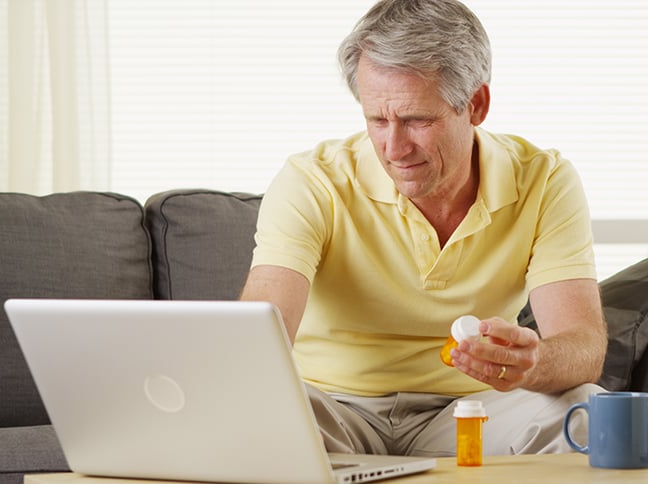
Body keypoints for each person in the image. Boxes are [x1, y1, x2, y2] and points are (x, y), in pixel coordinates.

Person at [240, 0, 607, 457]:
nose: (394, 147)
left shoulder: (544, 179)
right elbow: (260, 330)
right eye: (377, 119)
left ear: (476, 104)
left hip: (476, 409)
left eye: (416, 120)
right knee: (263, 420)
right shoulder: (313, 180)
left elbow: (584, 346)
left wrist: (533, 364)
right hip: (333, 409)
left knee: (587, 413)